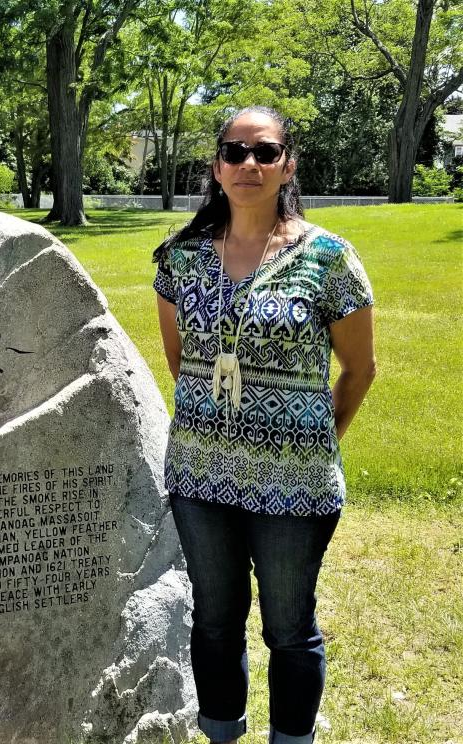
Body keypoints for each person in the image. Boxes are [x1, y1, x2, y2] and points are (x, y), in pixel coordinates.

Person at [152, 106, 376, 744]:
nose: (249, 164)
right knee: (216, 621)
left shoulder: (329, 258)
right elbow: (182, 362)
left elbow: (359, 369)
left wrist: (315, 439)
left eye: (265, 152)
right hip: (200, 478)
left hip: (295, 485)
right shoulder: (181, 258)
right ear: (216, 167)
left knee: (288, 626)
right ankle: (222, 732)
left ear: (288, 164)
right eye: (235, 152)